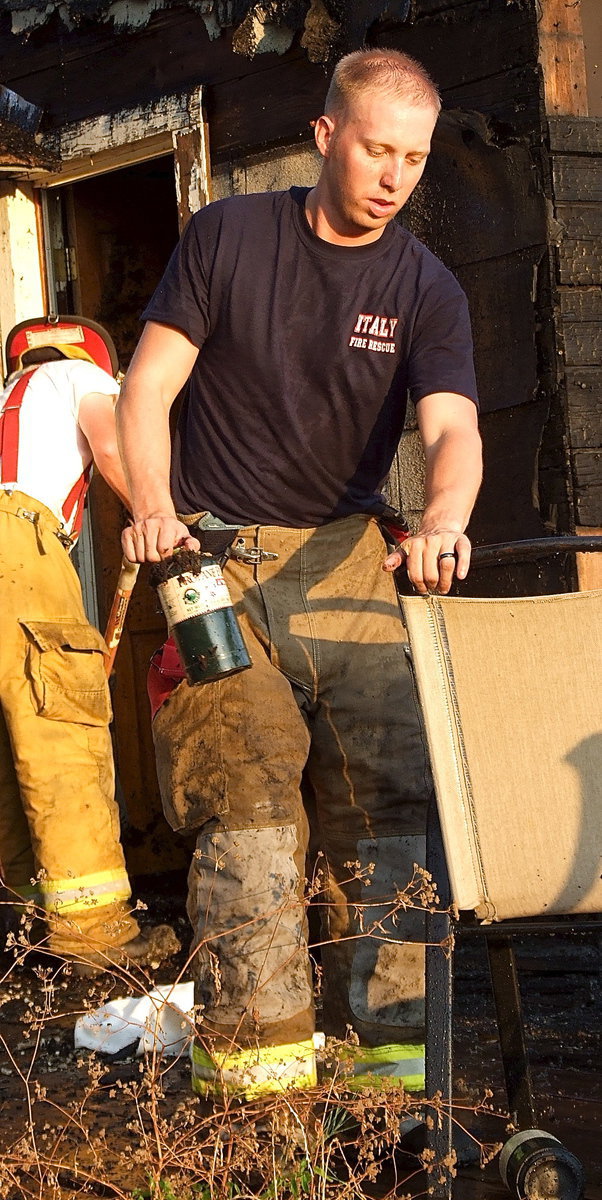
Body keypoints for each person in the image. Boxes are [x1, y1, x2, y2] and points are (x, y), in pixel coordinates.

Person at [117, 48, 483, 1099]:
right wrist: (150, 509)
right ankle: (258, 1074)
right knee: (247, 789)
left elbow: (449, 429)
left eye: (412, 157)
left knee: (390, 794)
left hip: (348, 558)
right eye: (376, 148)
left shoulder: (426, 287)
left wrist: (443, 522)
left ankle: (394, 1064)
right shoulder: (227, 237)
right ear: (324, 136)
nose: (394, 175)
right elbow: (148, 390)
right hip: (212, 562)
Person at [0, 329, 176, 972]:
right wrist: (163, 521)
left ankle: (24, 934)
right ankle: (93, 934)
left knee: (7, 748)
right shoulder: (80, 380)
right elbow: (110, 447)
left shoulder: (10, 400)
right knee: (60, 735)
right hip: (18, 550)